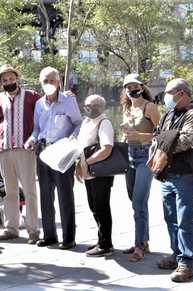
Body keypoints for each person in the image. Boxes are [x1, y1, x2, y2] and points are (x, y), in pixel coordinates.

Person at [151, 78, 193, 282]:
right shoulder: (169, 114)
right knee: (171, 218)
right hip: (167, 174)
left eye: (169, 92)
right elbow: (158, 135)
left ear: (182, 93)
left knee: (186, 220)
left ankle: (186, 262)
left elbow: (185, 140)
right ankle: (176, 254)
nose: (166, 97)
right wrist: (167, 139)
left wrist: (166, 141)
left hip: (186, 175)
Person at [25, 67, 82, 249]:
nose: (48, 84)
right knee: (45, 195)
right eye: (45, 81)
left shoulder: (68, 101)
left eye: (51, 80)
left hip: (62, 152)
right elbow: (36, 129)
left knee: (65, 196)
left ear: (58, 82)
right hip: (43, 152)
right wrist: (32, 139)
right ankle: (50, 235)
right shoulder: (39, 104)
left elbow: (78, 123)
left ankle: (68, 238)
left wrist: (73, 138)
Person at [0, 64, 41, 243]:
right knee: (9, 191)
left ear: (17, 78)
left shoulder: (32, 96)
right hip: (4, 149)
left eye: (11, 78)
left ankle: (33, 231)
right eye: (4, 80)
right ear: (0, 82)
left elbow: (44, 114)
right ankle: (11, 228)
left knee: (30, 190)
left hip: (26, 150)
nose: (8, 82)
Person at [119, 73, 160, 261]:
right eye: (128, 87)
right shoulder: (127, 109)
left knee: (138, 202)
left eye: (134, 86)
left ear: (142, 87)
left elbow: (162, 136)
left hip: (145, 156)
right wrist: (125, 135)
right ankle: (144, 241)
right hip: (129, 156)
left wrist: (139, 135)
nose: (131, 90)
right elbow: (128, 135)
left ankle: (139, 246)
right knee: (136, 202)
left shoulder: (149, 107)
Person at [74, 95, 115, 257]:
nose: (89, 108)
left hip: (100, 172)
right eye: (87, 105)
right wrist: (80, 163)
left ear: (101, 107)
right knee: (94, 207)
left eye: (93, 105)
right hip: (88, 171)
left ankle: (105, 244)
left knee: (101, 207)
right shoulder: (86, 122)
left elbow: (107, 148)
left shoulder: (104, 123)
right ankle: (101, 239)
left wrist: (88, 162)